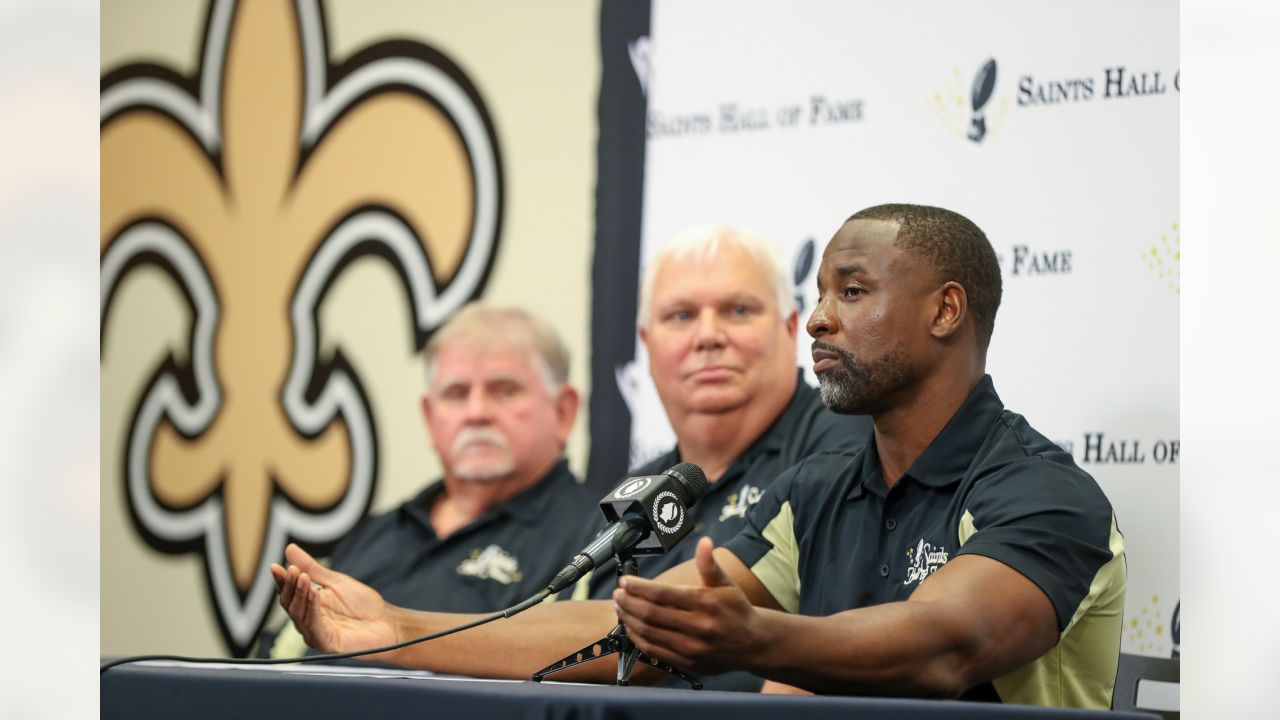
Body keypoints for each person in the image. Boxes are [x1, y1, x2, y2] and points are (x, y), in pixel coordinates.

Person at [272, 204, 1125, 709]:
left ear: (947, 312)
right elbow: (630, 623)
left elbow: (947, 644)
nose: (821, 319)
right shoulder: (822, 485)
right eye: (820, 293)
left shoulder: (1045, 493)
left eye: (852, 292)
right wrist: (397, 633)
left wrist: (758, 638)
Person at [259, 303, 598, 658]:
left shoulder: (598, 536)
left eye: (505, 390)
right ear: (429, 417)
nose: (476, 413)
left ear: (564, 412)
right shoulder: (377, 534)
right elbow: (272, 666)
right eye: (456, 393)